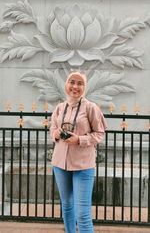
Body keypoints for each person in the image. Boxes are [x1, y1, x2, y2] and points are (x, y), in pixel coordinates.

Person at [50, 70, 107, 233]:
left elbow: (100, 133)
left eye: (80, 83)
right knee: (67, 205)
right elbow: (53, 126)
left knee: (82, 213)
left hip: (83, 165)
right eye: (72, 82)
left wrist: (79, 140)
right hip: (60, 164)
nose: (75, 86)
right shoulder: (60, 107)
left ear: (85, 87)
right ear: (66, 85)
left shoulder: (91, 108)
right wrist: (55, 133)